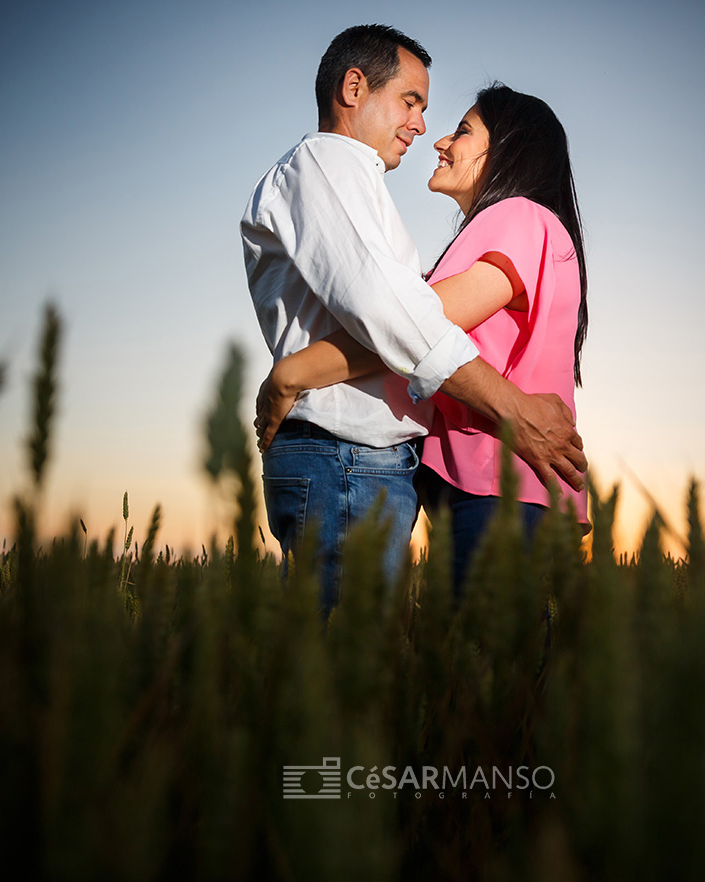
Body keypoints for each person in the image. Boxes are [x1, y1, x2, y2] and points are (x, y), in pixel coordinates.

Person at [242, 26, 585, 613]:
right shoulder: (328, 164)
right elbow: (397, 320)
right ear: (355, 87)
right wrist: (292, 375)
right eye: (412, 101)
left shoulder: (516, 218)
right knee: (363, 670)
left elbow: (405, 323)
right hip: (359, 456)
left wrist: (294, 373)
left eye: (460, 128)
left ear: (507, 150)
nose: (430, 132)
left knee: (449, 675)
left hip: (470, 476)